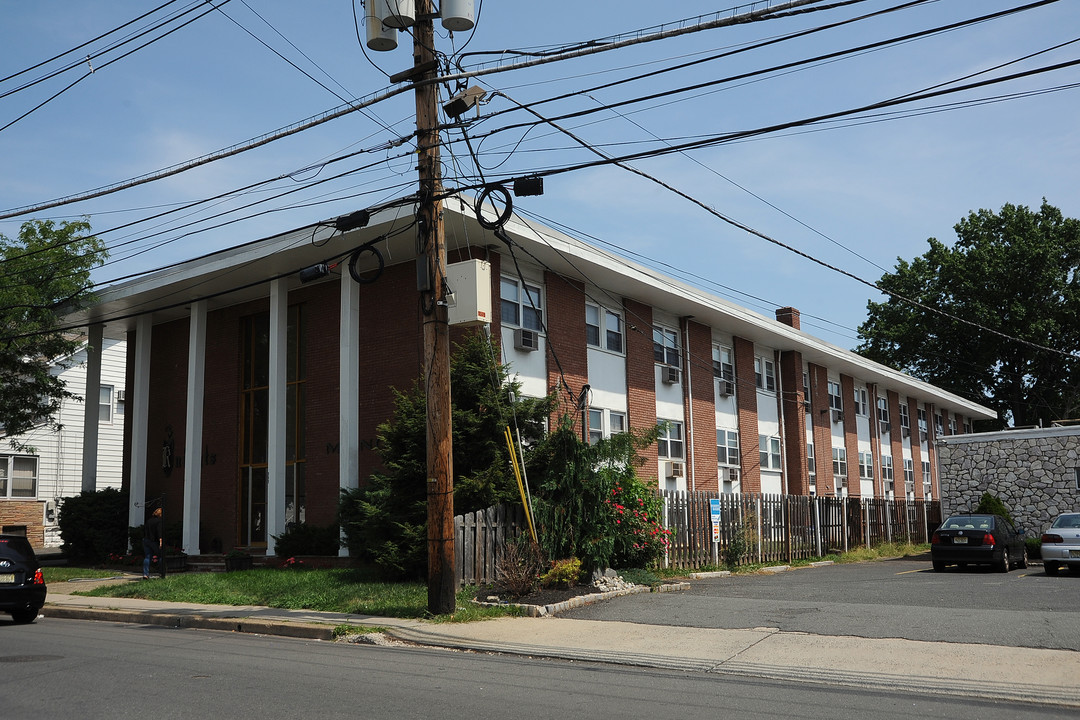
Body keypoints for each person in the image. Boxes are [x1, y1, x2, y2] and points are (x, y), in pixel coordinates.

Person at [143, 508, 162, 579]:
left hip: (146, 540)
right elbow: (159, 531)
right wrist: (160, 541)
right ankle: (161, 572)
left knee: (147, 557)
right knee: (160, 556)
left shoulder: (149, 521)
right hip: (154, 541)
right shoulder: (159, 521)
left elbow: (145, 530)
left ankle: (145, 574)